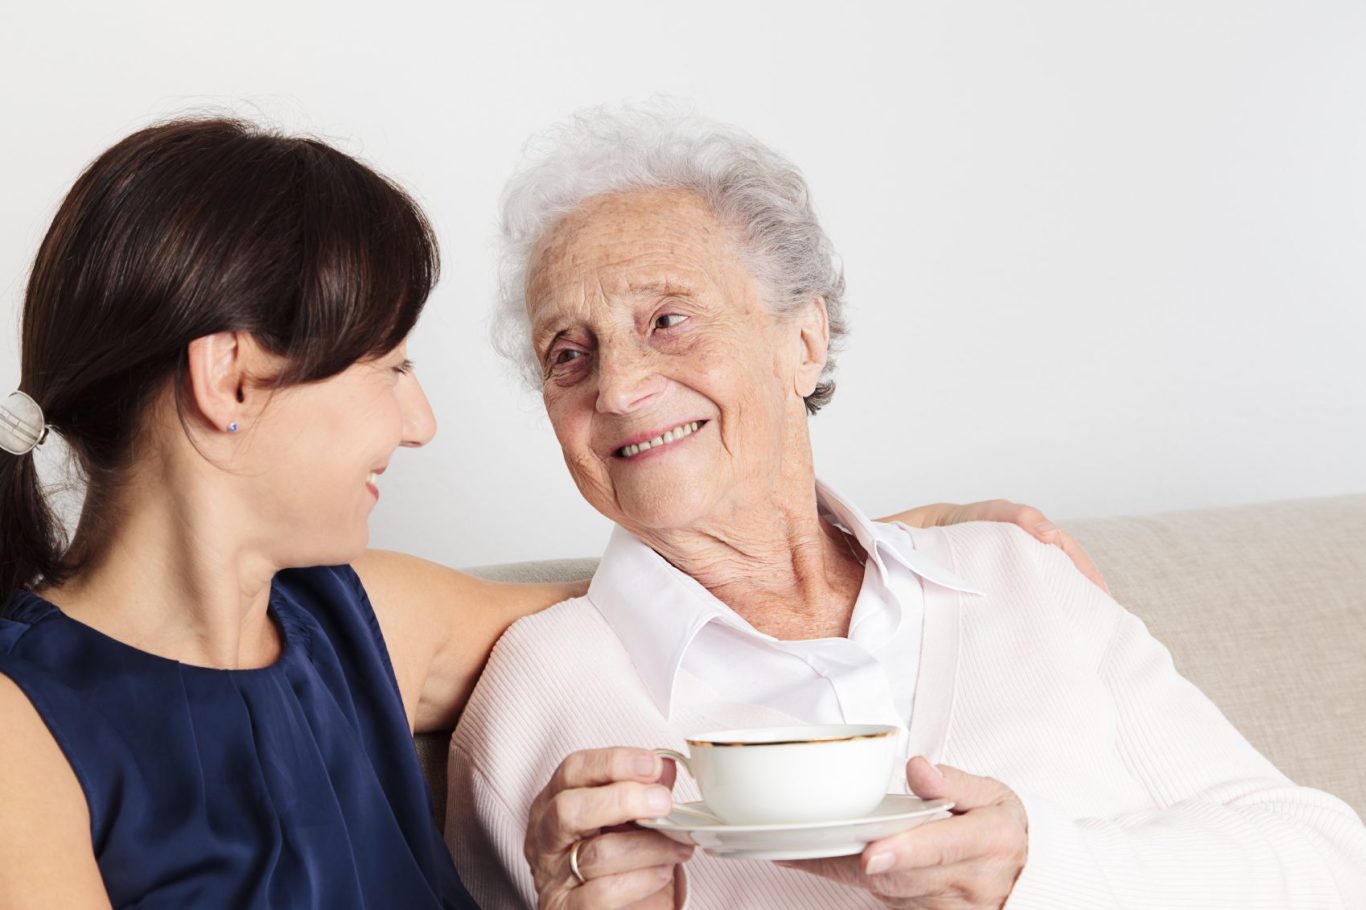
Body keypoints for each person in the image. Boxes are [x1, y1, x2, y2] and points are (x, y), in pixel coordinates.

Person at [0, 117, 1087, 909]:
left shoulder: (359, 617)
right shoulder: (20, 726)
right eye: (389, 368)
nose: (420, 422)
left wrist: (900, 533)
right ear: (231, 381)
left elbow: (690, 585)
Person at [446, 105, 1366, 909]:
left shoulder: (1011, 575)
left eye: (667, 320)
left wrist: (1034, 875)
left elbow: (1329, 864)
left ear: (803, 341)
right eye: (569, 354)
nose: (617, 388)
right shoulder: (543, 685)